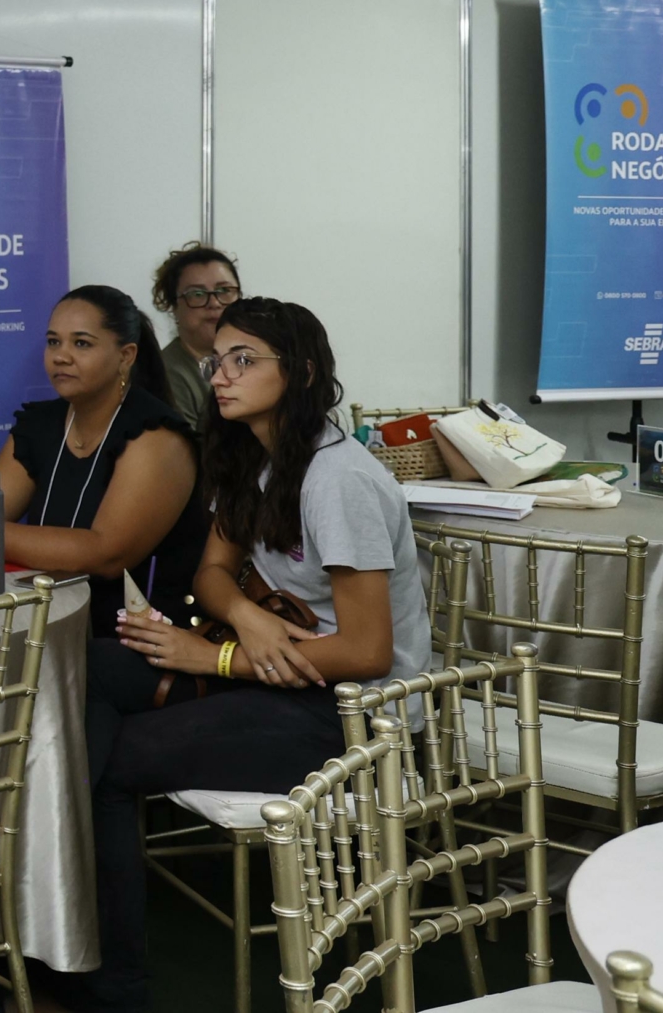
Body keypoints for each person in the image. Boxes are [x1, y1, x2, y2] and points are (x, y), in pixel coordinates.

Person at [77, 297, 426, 1013]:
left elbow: (367, 651)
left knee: (106, 763)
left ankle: (112, 990)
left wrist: (215, 660)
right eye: (216, 361)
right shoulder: (257, 457)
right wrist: (244, 618)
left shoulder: (338, 479)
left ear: (300, 373)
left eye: (244, 360)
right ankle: (59, 929)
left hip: (354, 719)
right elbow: (211, 572)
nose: (221, 376)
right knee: (85, 670)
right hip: (278, 676)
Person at [0, 285, 210, 632]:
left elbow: (107, 554)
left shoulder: (157, 437)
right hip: (42, 618)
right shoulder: (39, 424)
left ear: (126, 356)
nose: (61, 356)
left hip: (133, 637)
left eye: (81, 343)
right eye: (54, 342)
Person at [151, 242, 241, 431]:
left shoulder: (254, 360)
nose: (214, 303)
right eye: (197, 294)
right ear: (173, 306)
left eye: (224, 291)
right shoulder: (166, 374)